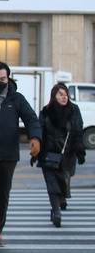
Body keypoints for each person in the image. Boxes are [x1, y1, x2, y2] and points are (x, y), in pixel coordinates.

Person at [0, 61, 42, 251]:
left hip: (9, 154)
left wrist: (35, 138)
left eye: (2, 79)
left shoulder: (16, 98)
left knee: (3, 195)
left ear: (8, 78)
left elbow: (31, 119)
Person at [34, 83, 85, 228]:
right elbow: (40, 132)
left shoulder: (74, 110)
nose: (64, 97)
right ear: (54, 96)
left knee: (63, 182)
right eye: (60, 94)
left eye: (65, 94)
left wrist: (80, 151)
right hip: (48, 154)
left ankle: (60, 203)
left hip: (67, 155)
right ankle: (56, 212)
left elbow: (78, 131)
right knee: (52, 184)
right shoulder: (46, 111)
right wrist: (36, 152)